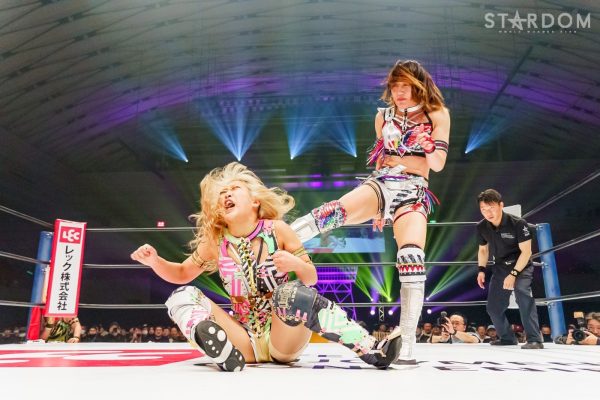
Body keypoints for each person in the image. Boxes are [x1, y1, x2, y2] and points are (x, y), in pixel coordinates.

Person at [131, 162, 401, 372]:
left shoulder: (278, 230)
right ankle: (223, 353)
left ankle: (371, 348)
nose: (226, 194)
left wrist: (294, 263)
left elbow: (311, 278)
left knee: (289, 293)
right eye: (222, 193)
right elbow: (182, 274)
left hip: (283, 337)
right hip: (244, 341)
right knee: (182, 296)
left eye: (234, 189)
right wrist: (155, 261)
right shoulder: (216, 242)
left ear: (255, 201)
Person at [291, 60, 450, 364]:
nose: (399, 92)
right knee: (330, 212)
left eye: (406, 86)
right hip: (382, 184)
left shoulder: (437, 114)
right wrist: (380, 209)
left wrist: (427, 145)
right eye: (395, 86)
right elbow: (382, 158)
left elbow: (437, 164)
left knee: (412, 258)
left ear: (419, 86)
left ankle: (407, 342)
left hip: (414, 191)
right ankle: (271, 244)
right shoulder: (383, 116)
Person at [476, 189, 544, 349]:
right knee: (493, 307)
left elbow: (526, 252)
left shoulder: (518, 223)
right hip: (500, 267)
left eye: (491, 208)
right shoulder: (481, 226)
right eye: (483, 209)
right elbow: (483, 250)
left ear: (501, 205)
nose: (488, 213)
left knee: (522, 294)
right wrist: (481, 270)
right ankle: (507, 338)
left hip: (521, 265)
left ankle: (535, 339)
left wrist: (513, 274)